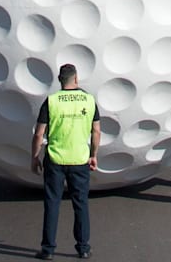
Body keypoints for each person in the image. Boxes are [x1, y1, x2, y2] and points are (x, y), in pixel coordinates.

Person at [31, 62, 100, 258]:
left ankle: (48, 250)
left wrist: (35, 157)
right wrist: (93, 155)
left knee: (52, 203)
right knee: (81, 204)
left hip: (55, 160)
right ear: (76, 79)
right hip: (79, 160)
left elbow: (39, 134)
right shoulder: (88, 100)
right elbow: (96, 131)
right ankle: (83, 248)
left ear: (60, 80)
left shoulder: (52, 101)